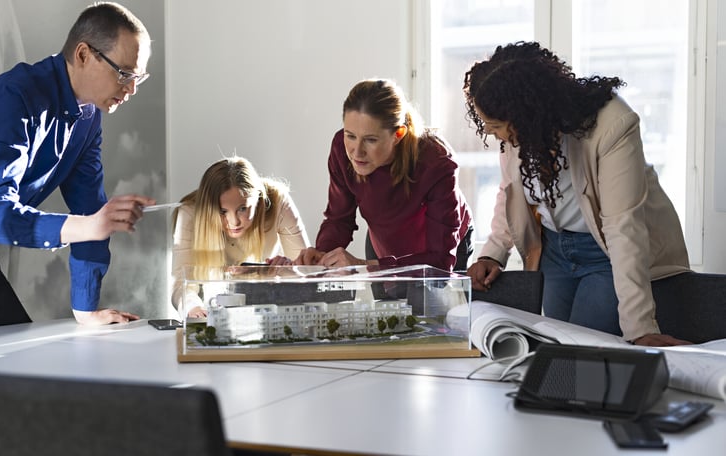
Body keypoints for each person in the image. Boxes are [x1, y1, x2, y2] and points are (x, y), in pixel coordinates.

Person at [0, 2, 155, 327]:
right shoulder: (13, 99)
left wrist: (85, 310)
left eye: (138, 78)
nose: (130, 89)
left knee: (19, 361)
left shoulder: (87, 121)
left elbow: (90, 211)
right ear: (84, 55)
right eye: (124, 73)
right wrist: (87, 226)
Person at [463, 41, 691, 346]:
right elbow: (512, 191)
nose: (495, 135)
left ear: (528, 114)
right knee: (559, 351)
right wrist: (493, 252)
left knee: (581, 353)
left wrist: (640, 330)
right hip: (554, 252)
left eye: (497, 127)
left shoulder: (613, 124)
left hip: (606, 253)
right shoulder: (519, 134)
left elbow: (623, 227)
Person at [295, 78, 473, 272]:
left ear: (398, 135)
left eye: (370, 140)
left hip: (442, 248)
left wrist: (364, 265)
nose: (356, 152)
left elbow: (440, 260)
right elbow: (339, 219)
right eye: (350, 135)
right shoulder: (341, 147)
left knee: (433, 301)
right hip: (383, 243)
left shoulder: (436, 162)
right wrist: (322, 255)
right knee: (386, 303)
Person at [171, 156, 310, 317]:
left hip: (267, 312)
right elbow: (180, 284)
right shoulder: (189, 213)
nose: (234, 221)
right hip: (214, 312)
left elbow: (308, 275)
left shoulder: (278, 202)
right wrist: (193, 308)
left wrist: (285, 271)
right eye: (223, 212)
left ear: (258, 198)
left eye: (243, 208)